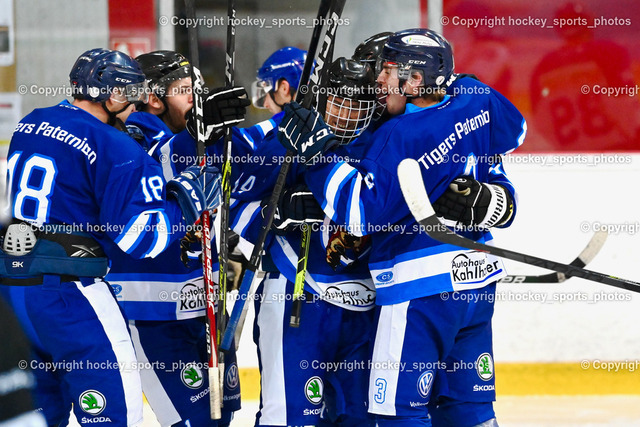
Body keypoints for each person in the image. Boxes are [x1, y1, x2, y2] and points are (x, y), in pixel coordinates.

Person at [277, 28, 526, 426]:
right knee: (470, 408)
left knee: (399, 412)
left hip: (418, 288)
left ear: (415, 78)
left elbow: (360, 211)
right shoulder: (472, 100)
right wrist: (496, 201)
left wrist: (317, 155)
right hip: (476, 281)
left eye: (385, 71)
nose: (376, 82)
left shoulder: (398, 133)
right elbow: (515, 130)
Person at [0, 48, 220, 426]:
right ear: (113, 94)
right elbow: (141, 239)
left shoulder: (31, 122)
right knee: (116, 415)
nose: (134, 105)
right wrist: (187, 202)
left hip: (13, 289)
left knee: (36, 416)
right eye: (130, 94)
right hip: (71, 294)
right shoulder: (116, 146)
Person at [230, 54, 379, 427]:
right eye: (338, 103)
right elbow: (234, 200)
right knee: (290, 417)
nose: (346, 115)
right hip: (296, 296)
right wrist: (279, 211)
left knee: (359, 418)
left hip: (364, 305)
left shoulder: (383, 142)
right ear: (322, 99)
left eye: (357, 106)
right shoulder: (288, 137)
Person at [104, 49, 249, 427]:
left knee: (220, 418)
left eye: (199, 90)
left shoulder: (195, 137)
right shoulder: (131, 134)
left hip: (205, 307)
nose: (196, 99)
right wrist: (198, 134)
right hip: (153, 314)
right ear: (153, 99)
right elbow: (157, 163)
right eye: (186, 90)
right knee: (194, 421)